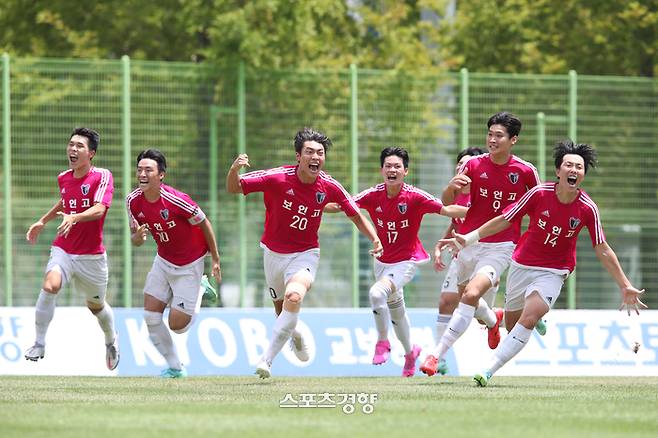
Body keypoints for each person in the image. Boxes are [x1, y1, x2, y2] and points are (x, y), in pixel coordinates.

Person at [439, 139, 647, 386]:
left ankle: (487, 371)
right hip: (522, 264)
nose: (573, 170)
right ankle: (530, 319)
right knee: (512, 323)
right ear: (558, 171)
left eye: (579, 167)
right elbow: (505, 219)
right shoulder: (538, 194)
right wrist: (470, 239)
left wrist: (624, 285)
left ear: (582, 175)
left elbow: (602, 248)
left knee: (529, 317)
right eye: (568, 165)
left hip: (554, 271)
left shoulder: (587, 208)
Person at [226, 127, 383, 379]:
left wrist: (375, 237)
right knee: (282, 312)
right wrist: (234, 170)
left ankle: (266, 360)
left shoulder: (329, 185)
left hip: (305, 254)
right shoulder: (277, 177)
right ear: (298, 156)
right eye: (309, 152)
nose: (316, 157)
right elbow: (235, 188)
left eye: (320, 153)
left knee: (294, 296)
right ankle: (295, 333)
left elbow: (354, 214)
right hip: (273, 254)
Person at [327, 146, 467, 376]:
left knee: (375, 294)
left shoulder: (415, 196)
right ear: (382, 170)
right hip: (382, 262)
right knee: (397, 312)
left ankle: (382, 343)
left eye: (397, 167)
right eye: (388, 166)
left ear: (406, 171)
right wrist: (317, 203)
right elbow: (343, 205)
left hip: (406, 262)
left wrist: (482, 213)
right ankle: (411, 353)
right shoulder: (373, 194)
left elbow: (447, 209)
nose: (392, 170)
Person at [421, 112, 541, 376]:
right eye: (490, 134)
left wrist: (530, 245)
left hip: (501, 246)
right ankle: (492, 319)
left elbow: (539, 206)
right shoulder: (474, 165)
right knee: (471, 300)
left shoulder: (525, 171)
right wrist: (450, 187)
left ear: (514, 140)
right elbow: (448, 203)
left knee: (471, 295)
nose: (492, 139)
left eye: (499, 135)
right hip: (468, 244)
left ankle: (435, 355)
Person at [24, 127, 119, 370]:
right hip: (64, 249)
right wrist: (43, 221)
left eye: (79, 146)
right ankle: (39, 343)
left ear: (92, 153)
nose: (73, 149)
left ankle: (111, 340)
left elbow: (100, 209)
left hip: (92, 257)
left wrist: (74, 218)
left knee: (96, 306)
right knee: (50, 285)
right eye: (71, 144)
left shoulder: (102, 177)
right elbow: (65, 201)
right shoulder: (63, 177)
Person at [127, 149, 221, 378]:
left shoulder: (176, 200)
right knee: (150, 316)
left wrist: (215, 258)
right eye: (139, 169)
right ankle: (175, 368)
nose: (142, 174)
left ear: (161, 175)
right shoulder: (133, 201)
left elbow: (204, 223)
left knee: (177, 326)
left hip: (190, 264)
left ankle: (200, 288)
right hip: (163, 261)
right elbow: (135, 238)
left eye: (148, 169)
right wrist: (137, 238)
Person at [432, 146, 499, 376]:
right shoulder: (456, 191)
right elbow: (452, 217)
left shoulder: (486, 191)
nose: (464, 167)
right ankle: (438, 359)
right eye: (461, 164)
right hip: (461, 253)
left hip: (486, 254)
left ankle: (496, 319)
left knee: (473, 304)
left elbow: (467, 214)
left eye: (469, 164)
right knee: (446, 301)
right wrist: (441, 243)